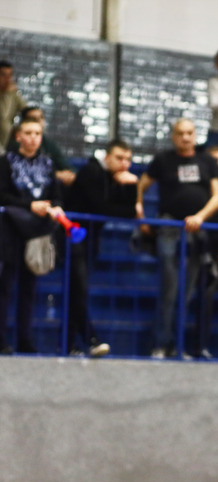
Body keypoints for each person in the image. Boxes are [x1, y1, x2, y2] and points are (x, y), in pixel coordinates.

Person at [136, 118, 218, 358]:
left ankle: (176, 346)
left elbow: (217, 197)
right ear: (174, 136)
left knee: (186, 292)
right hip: (169, 227)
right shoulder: (163, 160)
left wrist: (199, 217)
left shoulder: (207, 161)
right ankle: (160, 345)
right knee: (169, 288)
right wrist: (140, 212)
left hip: (196, 232)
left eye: (189, 133)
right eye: (180, 133)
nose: (185, 137)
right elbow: (141, 184)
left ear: (195, 135)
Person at [64, 139, 138, 357]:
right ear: (107, 157)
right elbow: (101, 208)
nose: (124, 164)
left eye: (128, 159)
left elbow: (129, 212)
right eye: (119, 158)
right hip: (72, 236)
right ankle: (91, 339)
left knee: (78, 291)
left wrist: (132, 185)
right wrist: (121, 204)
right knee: (77, 290)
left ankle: (69, 344)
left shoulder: (115, 178)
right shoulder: (91, 171)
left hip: (90, 239)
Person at [0, 117, 64, 353]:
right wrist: (30, 205)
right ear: (18, 136)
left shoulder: (47, 164)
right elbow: (2, 195)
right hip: (10, 230)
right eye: (28, 133)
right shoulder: (6, 161)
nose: (33, 138)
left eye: (37, 133)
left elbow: (56, 196)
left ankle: (25, 340)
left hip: (36, 233)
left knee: (29, 288)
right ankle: (1, 340)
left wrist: (56, 207)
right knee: (5, 287)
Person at [6, 106, 76, 188]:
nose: (33, 137)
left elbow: (64, 165)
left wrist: (69, 175)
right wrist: (54, 175)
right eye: (33, 118)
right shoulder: (13, 150)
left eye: (41, 117)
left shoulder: (48, 146)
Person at [0, 60, 26, 155]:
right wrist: (6, 94)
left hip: (8, 135)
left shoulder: (13, 93)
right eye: (3, 75)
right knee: (5, 125)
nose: (7, 79)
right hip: (3, 132)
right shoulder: (9, 92)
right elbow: (3, 115)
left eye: (9, 75)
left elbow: (26, 109)